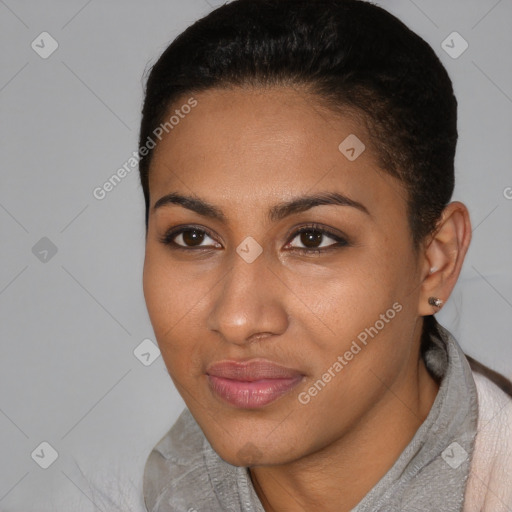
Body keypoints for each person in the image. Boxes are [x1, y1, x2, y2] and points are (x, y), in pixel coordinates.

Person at [138, 0, 512, 510]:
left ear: (435, 261)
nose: (239, 318)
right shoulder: (169, 486)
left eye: (312, 239)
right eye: (193, 237)